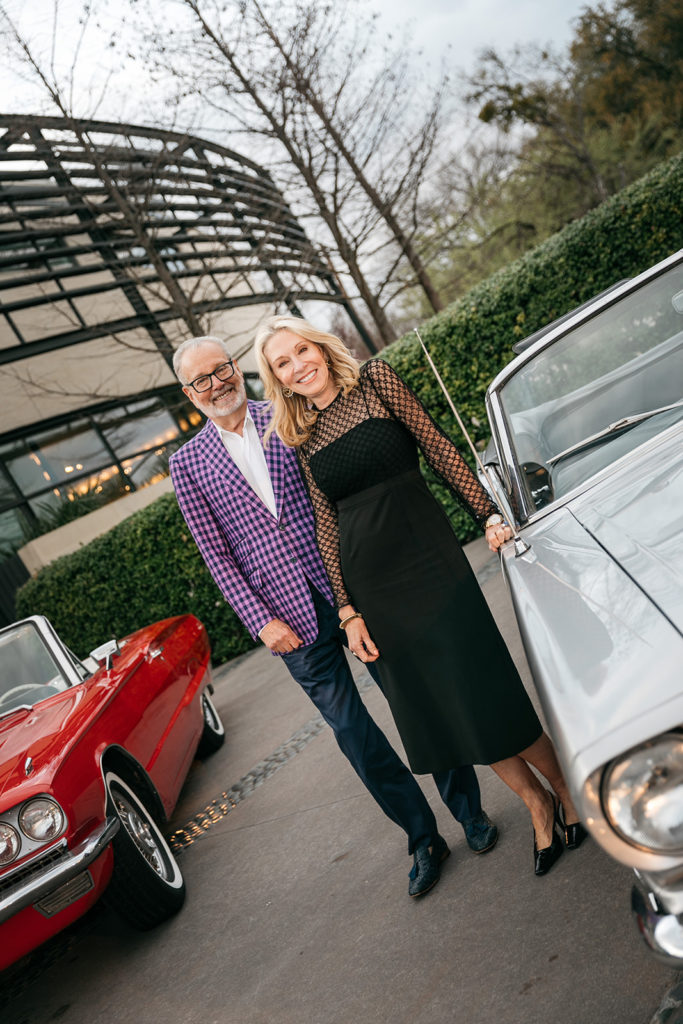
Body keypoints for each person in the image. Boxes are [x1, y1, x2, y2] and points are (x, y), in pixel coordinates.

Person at [169, 334, 501, 899]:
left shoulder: (285, 413)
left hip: (354, 586)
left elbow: (337, 488)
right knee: (354, 733)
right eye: (201, 380)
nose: (216, 384)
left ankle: (468, 811)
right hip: (287, 620)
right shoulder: (186, 464)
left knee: (414, 698)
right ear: (188, 392)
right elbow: (216, 556)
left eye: (221, 369)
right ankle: (422, 837)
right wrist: (259, 621)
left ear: (236, 368)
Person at [254, 315, 588, 876]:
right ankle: (535, 805)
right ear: (278, 381)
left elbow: (439, 449)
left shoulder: (378, 382)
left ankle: (565, 788)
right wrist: (347, 610)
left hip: (431, 560)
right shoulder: (301, 435)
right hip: (375, 590)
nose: (297, 366)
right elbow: (326, 526)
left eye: (300, 350)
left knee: (484, 686)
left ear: (319, 347)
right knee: (451, 707)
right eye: (281, 363)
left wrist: (486, 513)